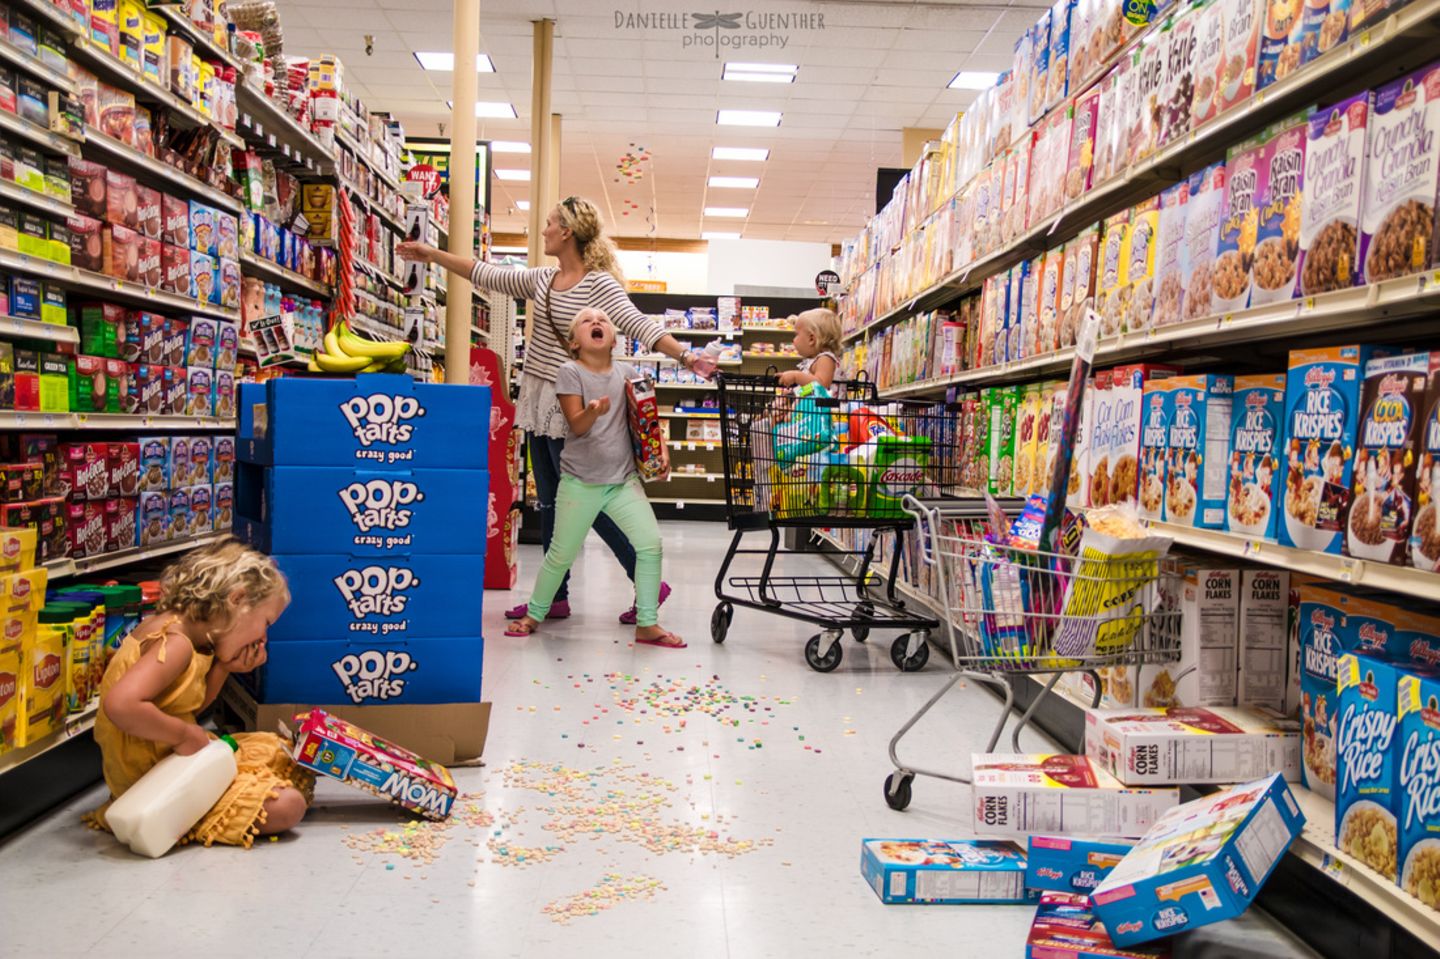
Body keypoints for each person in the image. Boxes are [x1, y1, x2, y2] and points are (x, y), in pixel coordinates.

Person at [397, 196, 708, 624]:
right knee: (550, 502)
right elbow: (485, 273)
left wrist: (687, 359)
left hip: (575, 403)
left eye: (548, 224)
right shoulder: (543, 280)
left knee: (586, 503)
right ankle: (556, 595)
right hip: (540, 398)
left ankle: (647, 580)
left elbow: (640, 324)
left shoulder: (599, 285)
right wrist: (430, 254)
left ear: (567, 232)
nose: (541, 231)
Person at [86, 539, 313, 847]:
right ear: (237, 600)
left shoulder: (191, 638)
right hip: (155, 782)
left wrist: (223, 668)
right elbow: (121, 705)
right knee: (288, 805)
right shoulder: (174, 642)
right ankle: (182, 822)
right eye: (265, 623)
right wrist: (182, 735)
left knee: (281, 752)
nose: (263, 637)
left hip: (172, 760)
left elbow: (185, 707)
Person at [503, 307, 683, 649]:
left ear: (614, 338)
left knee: (650, 545)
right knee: (561, 553)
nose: (596, 323)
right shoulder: (570, 372)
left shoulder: (628, 372)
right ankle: (535, 614)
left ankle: (647, 623)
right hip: (579, 483)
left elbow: (646, 421)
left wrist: (660, 451)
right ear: (574, 343)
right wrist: (593, 411)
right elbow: (576, 425)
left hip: (623, 481)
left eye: (603, 320)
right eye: (586, 321)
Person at [777, 308, 841, 390]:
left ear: (811, 339)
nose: (794, 339)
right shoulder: (814, 360)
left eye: (797, 334)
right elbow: (811, 388)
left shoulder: (826, 359)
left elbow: (822, 386)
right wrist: (796, 392)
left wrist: (796, 376)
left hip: (823, 403)